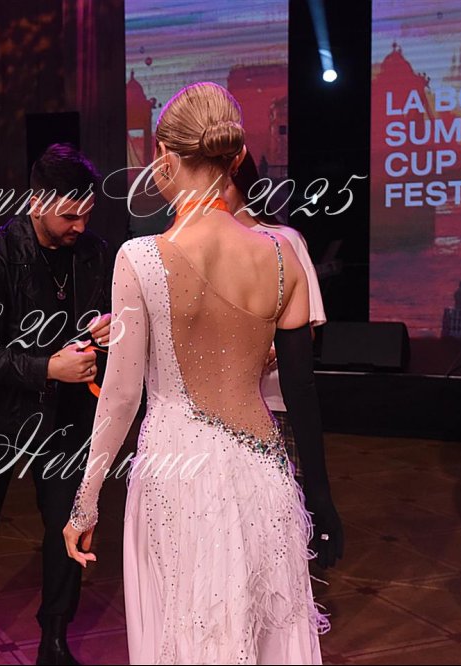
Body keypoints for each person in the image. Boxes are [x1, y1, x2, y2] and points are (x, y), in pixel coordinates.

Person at [63, 82, 343, 664]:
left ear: (164, 154)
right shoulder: (282, 255)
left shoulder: (140, 258)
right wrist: (319, 495)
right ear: (235, 157)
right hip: (265, 474)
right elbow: (302, 386)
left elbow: (120, 398)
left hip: (177, 477)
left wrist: (85, 505)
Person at [0, 144, 113, 665]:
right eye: (69, 215)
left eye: (87, 213)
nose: (80, 225)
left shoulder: (94, 253)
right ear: (37, 201)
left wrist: (107, 331)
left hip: (66, 418)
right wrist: (47, 368)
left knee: (67, 526)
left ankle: (55, 638)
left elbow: (105, 321)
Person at [224, 151, 327, 477]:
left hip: (273, 401)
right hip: (216, 407)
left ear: (241, 183)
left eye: (222, 186)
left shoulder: (284, 241)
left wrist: (269, 349)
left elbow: (306, 328)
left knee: (286, 498)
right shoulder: (198, 250)